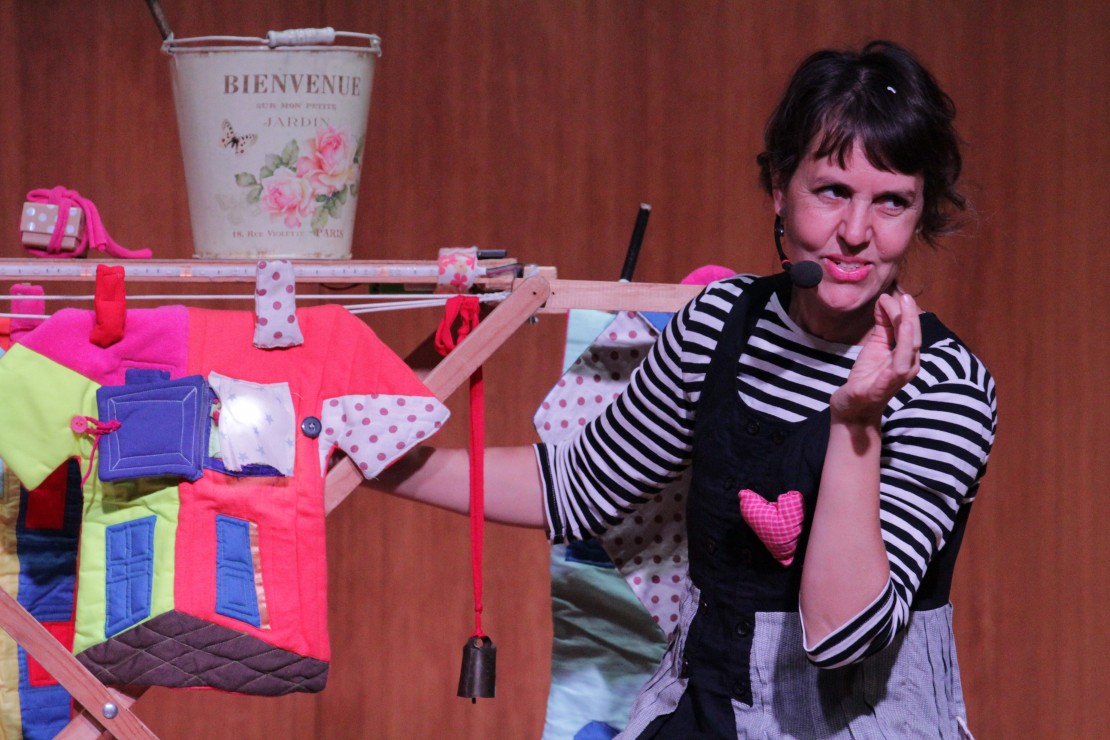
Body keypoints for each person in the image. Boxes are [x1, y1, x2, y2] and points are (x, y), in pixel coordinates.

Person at [376, 39, 997, 738]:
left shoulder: (947, 385)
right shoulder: (716, 324)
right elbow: (576, 488)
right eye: (832, 191)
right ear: (779, 187)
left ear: (919, 212)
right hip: (703, 711)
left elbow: (844, 636)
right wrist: (379, 463)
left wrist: (855, 422)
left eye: (891, 202)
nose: (856, 233)